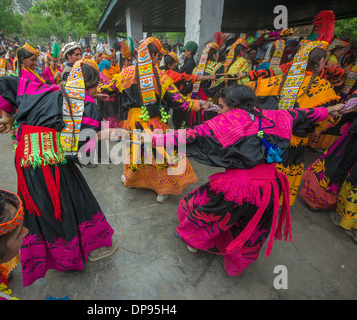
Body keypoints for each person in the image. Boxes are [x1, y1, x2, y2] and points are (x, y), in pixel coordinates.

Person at [131, 85, 343, 276]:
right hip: (268, 191)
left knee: (199, 208)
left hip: (236, 188)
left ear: (234, 105)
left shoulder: (226, 121)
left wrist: (147, 137)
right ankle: (235, 263)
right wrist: (332, 110)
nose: (220, 110)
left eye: (222, 106)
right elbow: (305, 114)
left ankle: (197, 242)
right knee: (249, 228)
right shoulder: (277, 116)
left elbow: (190, 135)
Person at [0, 58, 117, 287]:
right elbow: (78, 149)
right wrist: (103, 135)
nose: (96, 91)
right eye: (95, 86)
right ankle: (71, 254)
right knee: (65, 203)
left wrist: (7, 119)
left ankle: (52, 253)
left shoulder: (42, 88)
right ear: (89, 84)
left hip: (24, 156)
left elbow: (6, 82)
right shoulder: (85, 105)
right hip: (50, 161)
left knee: (39, 205)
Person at [99, 37, 203, 203]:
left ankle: (131, 180)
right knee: (159, 155)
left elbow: (107, 88)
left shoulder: (126, 74)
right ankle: (163, 188)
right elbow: (179, 101)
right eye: (158, 56)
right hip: (153, 123)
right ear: (153, 55)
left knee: (136, 152)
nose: (158, 59)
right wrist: (200, 104)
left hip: (133, 123)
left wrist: (93, 91)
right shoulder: (161, 77)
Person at [247, 41, 341, 205]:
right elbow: (325, 119)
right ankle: (275, 202)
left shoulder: (276, 80)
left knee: (267, 167)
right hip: (294, 140)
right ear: (320, 62)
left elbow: (254, 98)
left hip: (269, 136)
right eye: (324, 61)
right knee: (285, 170)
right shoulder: (322, 87)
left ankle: (258, 197)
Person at [300, 91, 357, 242]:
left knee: (339, 166)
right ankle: (321, 200)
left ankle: (322, 200)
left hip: (351, 141)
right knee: (339, 166)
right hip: (351, 138)